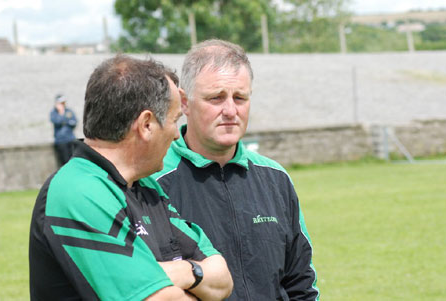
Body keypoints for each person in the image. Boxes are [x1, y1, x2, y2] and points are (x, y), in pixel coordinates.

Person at [29, 54, 233, 300]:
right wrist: (194, 279)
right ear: (146, 124)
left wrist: (181, 271)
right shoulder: (76, 191)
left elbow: (222, 280)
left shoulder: (146, 187)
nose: (176, 135)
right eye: (174, 120)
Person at [151, 39, 320, 300]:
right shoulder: (152, 183)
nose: (230, 110)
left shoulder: (275, 178)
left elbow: (301, 281)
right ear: (184, 102)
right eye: (216, 98)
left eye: (240, 97)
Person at [50, 93, 77, 166]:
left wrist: (65, 121)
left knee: (74, 161)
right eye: (61, 103)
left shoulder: (69, 111)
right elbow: (57, 121)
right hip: (61, 141)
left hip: (70, 139)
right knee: (65, 162)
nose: (63, 104)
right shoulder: (54, 113)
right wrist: (61, 114)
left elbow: (73, 122)